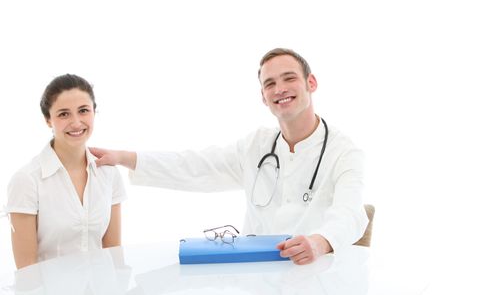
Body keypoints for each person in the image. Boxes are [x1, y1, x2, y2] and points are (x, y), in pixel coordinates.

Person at [92, 48, 367, 265]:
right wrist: (124, 157)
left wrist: (319, 242)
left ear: (311, 83)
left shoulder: (344, 151)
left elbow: (350, 213)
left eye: (289, 78)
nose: (279, 89)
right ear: (263, 96)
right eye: (270, 83)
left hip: (318, 275)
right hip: (259, 277)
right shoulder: (256, 146)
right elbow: (195, 166)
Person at [5, 74, 126, 269]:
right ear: (48, 120)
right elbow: (27, 271)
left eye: (83, 111)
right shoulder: (26, 180)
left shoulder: (108, 173)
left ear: (94, 112)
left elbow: (114, 254)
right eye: (63, 114)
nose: (76, 122)